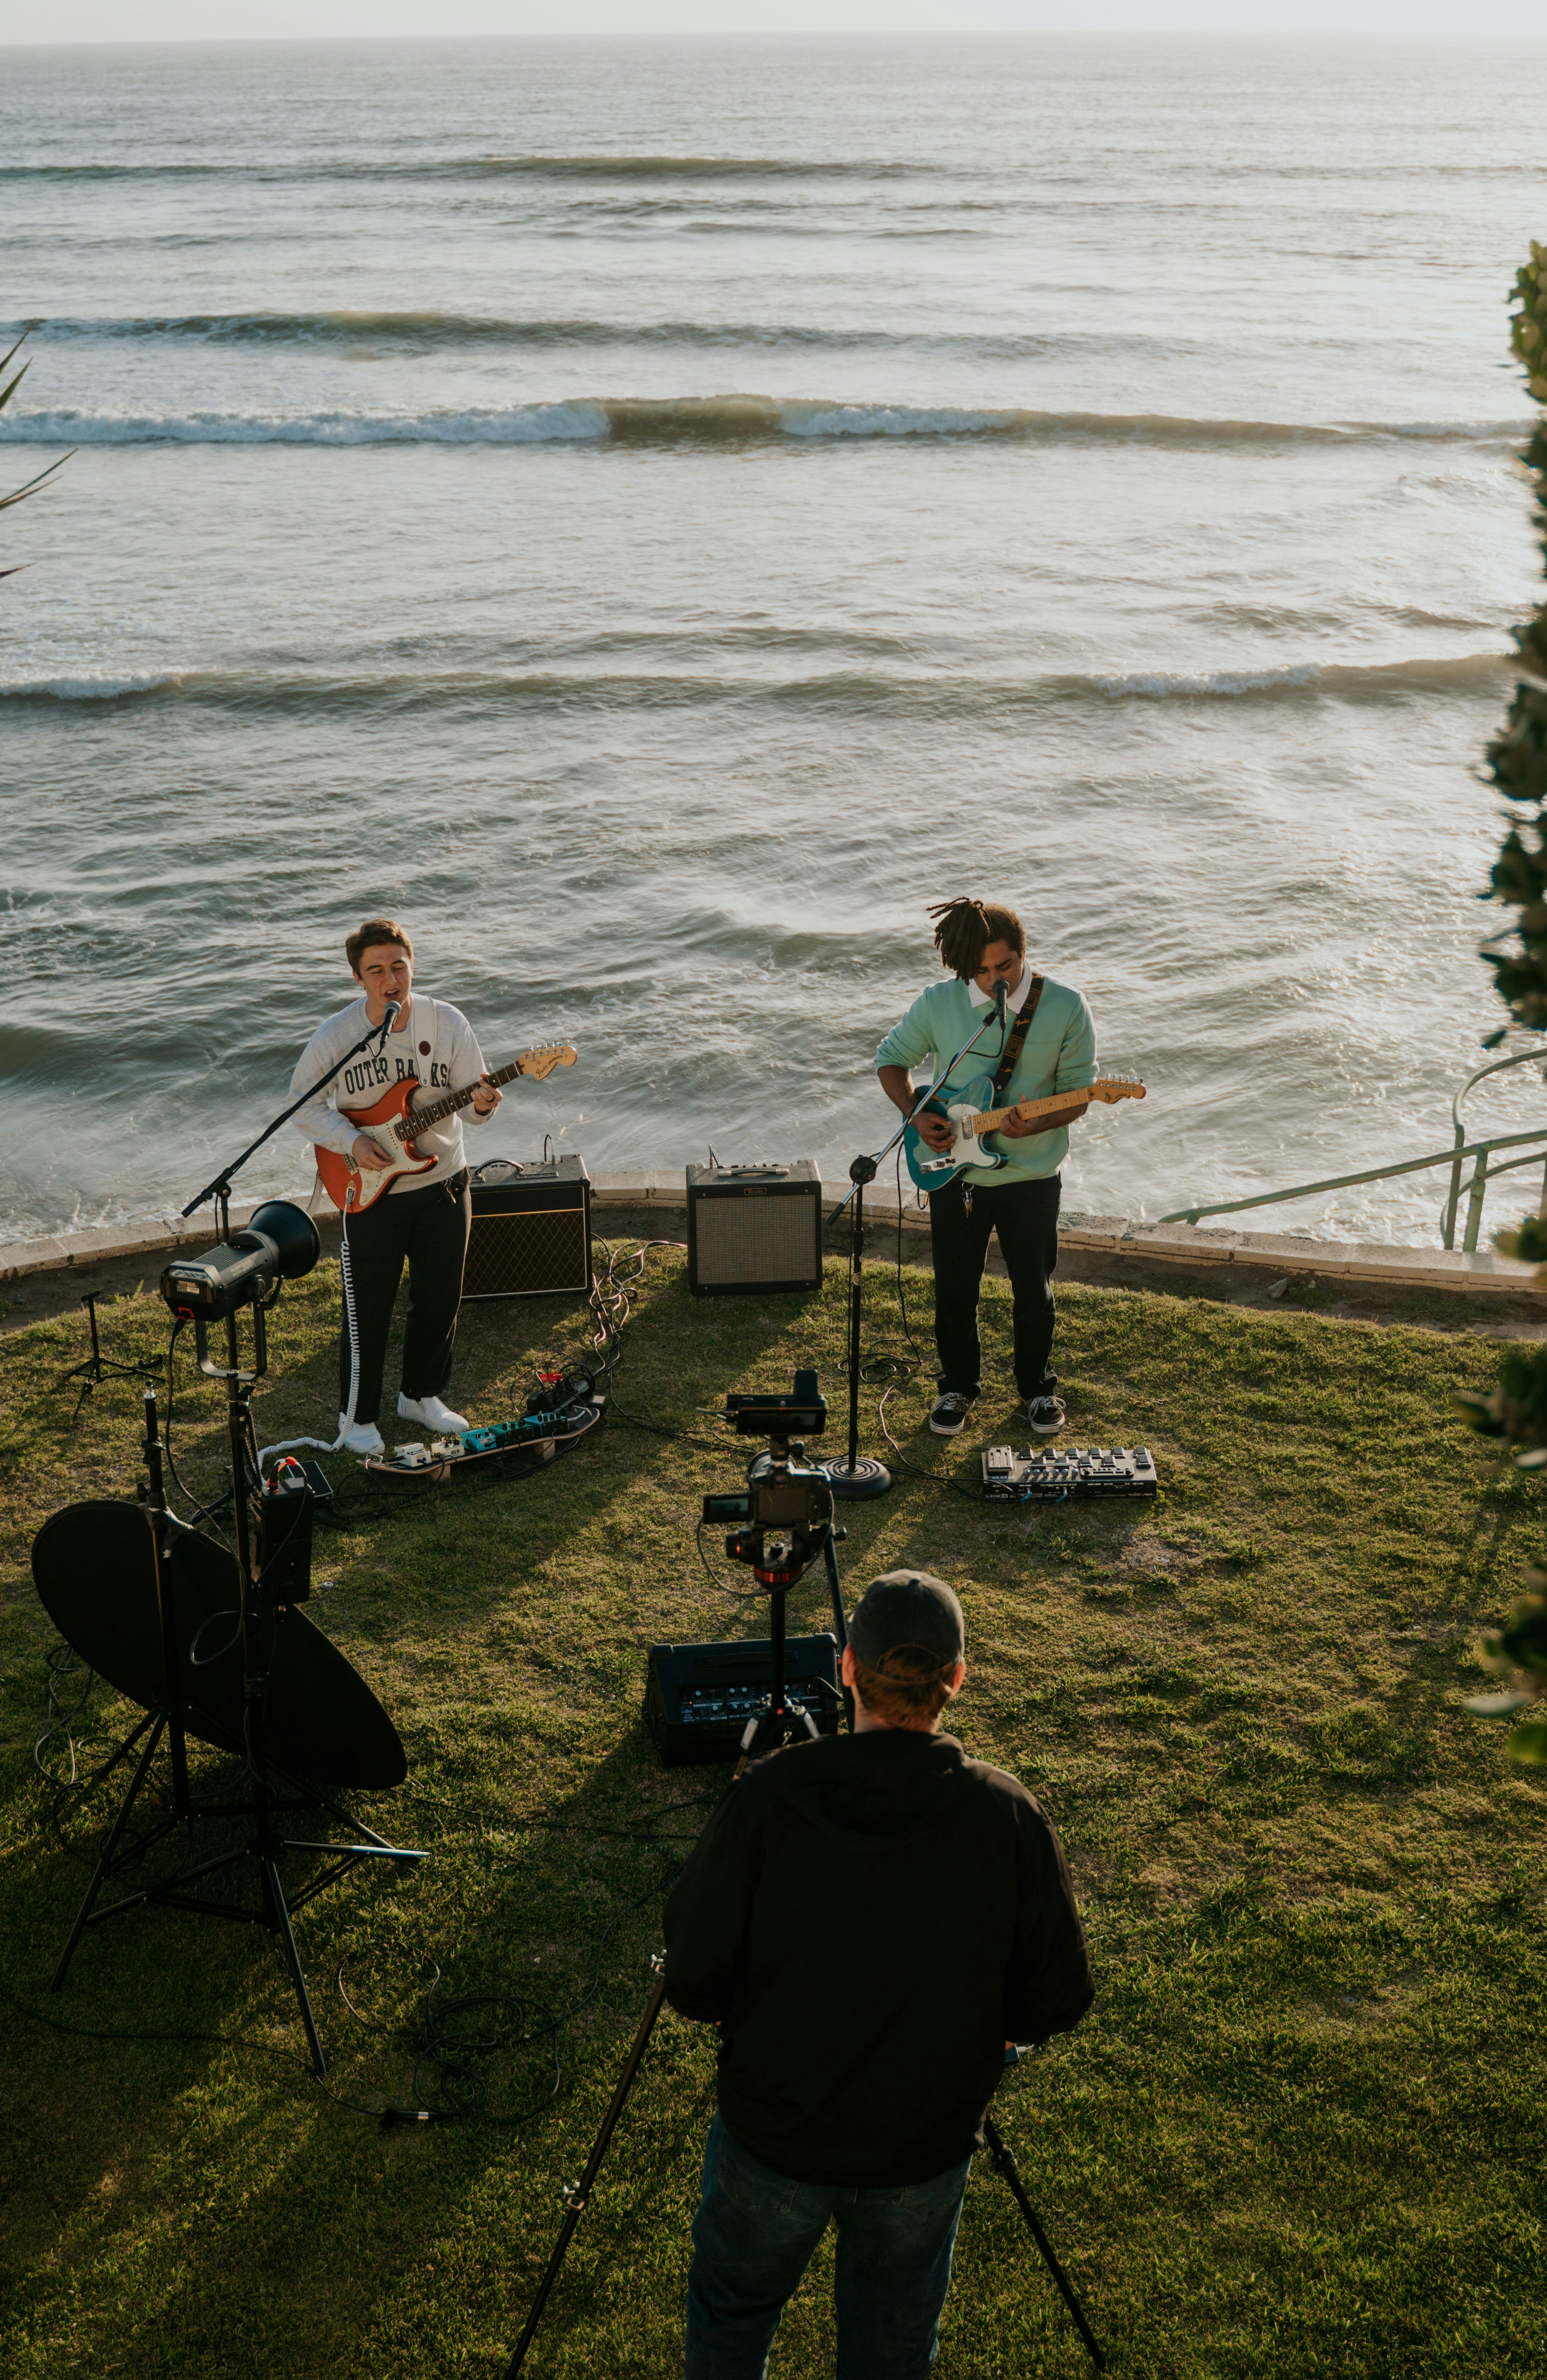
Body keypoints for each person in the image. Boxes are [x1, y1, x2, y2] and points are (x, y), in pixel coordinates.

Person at [663, 1570, 1093, 2380]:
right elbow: (1056, 1997)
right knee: (890, 2345)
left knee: (731, 2317)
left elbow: (690, 1979)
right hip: (921, 2149)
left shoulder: (767, 1799)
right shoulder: (1005, 1813)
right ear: (956, 1678)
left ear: (847, 1669)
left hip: (773, 2139)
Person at [876, 896, 1096, 1440]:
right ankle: (957, 1388)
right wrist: (917, 1113)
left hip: (1032, 1178)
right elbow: (891, 1061)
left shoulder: (1066, 1007)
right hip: (957, 1175)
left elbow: (1078, 1096)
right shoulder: (938, 1004)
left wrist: (1038, 1125)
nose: (995, 981)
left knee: (1033, 1289)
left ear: (1024, 954)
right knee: (955, 1287)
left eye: (1006, 967)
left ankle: (1037, 1389)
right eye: (981, 972)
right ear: (961, 966)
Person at [290, 918, 501, 1460]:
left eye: (399, 966)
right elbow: (304, 1105)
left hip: (444, 1185)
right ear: (358, 978)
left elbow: (473, 1109)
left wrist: (481, 1105)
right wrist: (351, 1143)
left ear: (413, 967)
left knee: (439, 1298)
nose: (391, 979)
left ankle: (420, 1395)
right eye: (377, 970)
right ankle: (357, 1417)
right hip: (369, 1194)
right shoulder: (338, 1036)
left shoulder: (447, 1023)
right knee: (368, 1310)